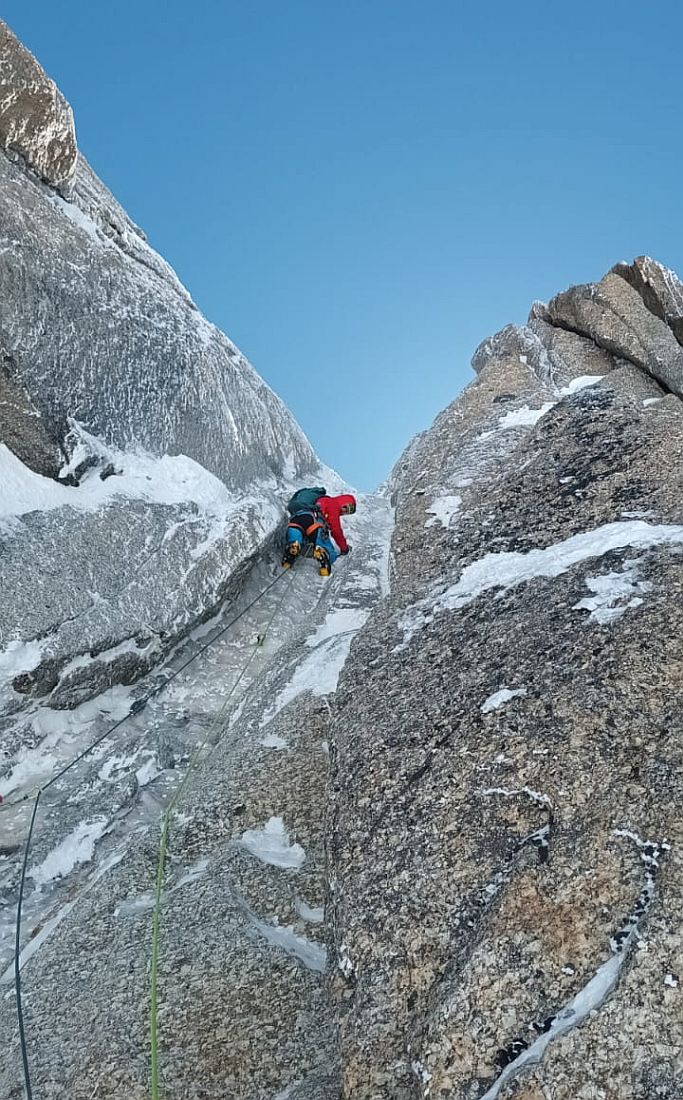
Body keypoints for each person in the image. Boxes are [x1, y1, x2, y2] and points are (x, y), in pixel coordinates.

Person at [282, 487, 357, 576]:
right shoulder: (333, 504)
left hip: (299, 516)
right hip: (315, 522)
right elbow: (336, 530)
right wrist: (344, 549)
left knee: (296, 531)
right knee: (325, 545)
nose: (345, 512)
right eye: (347, 508)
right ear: (342, 502)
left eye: (348, 512)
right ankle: (324, 553)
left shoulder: (318, 501)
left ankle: (293, 546)